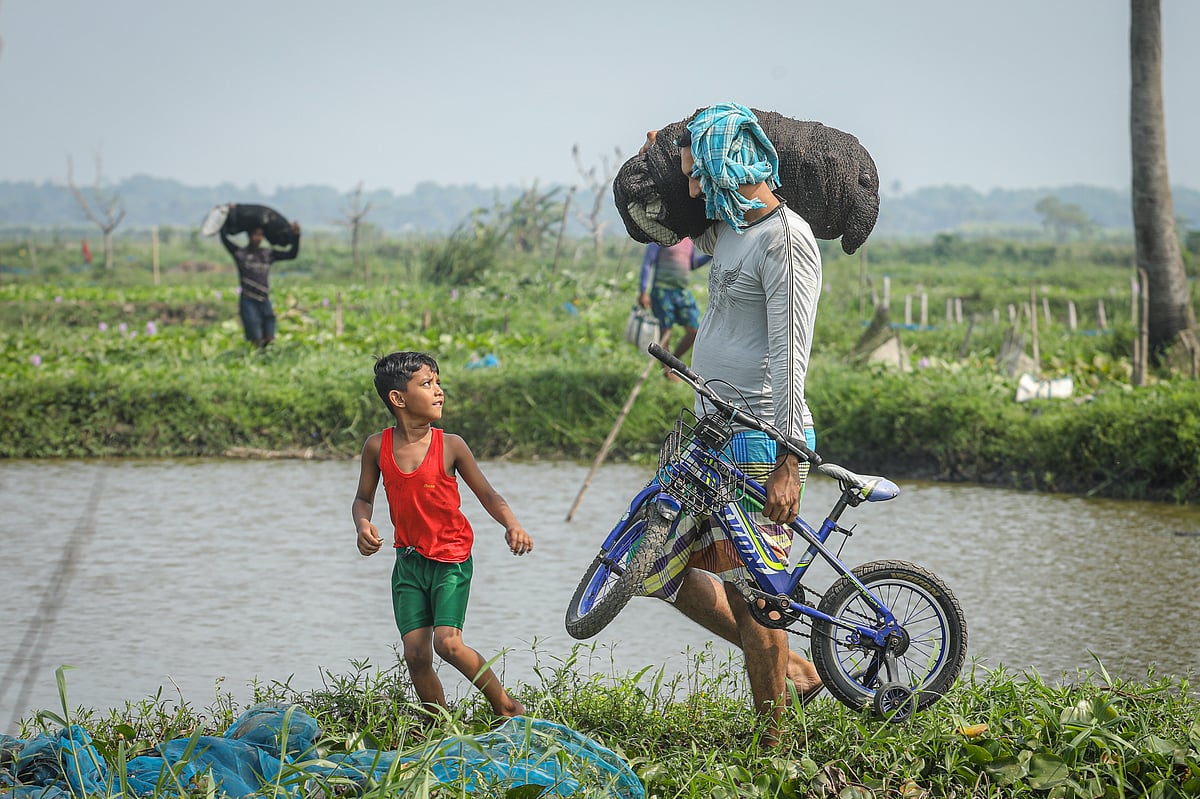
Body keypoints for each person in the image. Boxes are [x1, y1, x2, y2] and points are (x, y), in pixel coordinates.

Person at [640, 103, 824, 744]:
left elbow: (792, 357)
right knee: (654, 564)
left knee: (756, 597)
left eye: (699, 174)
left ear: (728, 165)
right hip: (710, 433)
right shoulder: (729, 228)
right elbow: (667, 221)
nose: (693, 189)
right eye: (689, 177)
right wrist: (663, 162)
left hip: (760, 439)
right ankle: (795, 670)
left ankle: (773, 747)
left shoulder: (786, 241)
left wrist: (789, 459)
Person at [352, 351, 533, 721]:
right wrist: (363, 525)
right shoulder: (376, 447)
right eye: (427, 384)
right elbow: (363, 499)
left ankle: (506, 706)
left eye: (438, 383)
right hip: (408, 563)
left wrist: (512, 524)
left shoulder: (451, 446)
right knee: (416, 654)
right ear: (398, 399)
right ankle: (439, 724)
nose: (439, 391)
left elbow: (488, 495)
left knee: (448, 644)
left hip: (451, 560)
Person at [219, 206, 301, 347]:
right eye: (255, 235)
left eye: (260, 235)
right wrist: (225, 216)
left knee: (269, 337)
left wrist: (296, 237)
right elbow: (224, 238)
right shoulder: (241, 254)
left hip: (264, 299)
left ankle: (267, 357)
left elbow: (291, 254)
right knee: (255, 338)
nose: (258, 238)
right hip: (248, 300)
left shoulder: (267, 254)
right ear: (249, 236)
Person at [638, 239, 710, 374]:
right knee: (666, 331)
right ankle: (666, 369)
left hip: (682, 292)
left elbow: (693, 264)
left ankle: (673, 365)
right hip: (662, 291)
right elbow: (647, 263)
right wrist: (643, 291)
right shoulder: (660, 238)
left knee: (694, 330)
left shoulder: (689, 241)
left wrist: (711, 255)